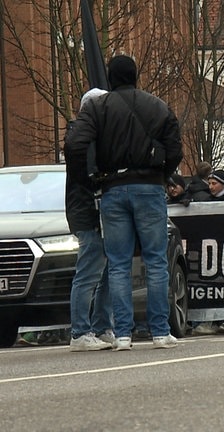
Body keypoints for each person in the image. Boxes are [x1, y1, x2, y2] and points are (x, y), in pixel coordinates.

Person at [67, 55, 183, 349]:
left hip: (113, 189)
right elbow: (175, 150)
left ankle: (122, 334)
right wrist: (162, 173)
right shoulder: (159, 106)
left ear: (110, 78)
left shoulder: (97, 107)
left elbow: (75, 144)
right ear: (136, 75)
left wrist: (88, 178)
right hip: (150, 187)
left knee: (117, 264)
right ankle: (159, 331)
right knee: (156, 260)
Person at [63, 88, 114, 352]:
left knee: (104, 271)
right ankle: (81, 331)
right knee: (90, 271)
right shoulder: (83, 139)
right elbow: (90, 176)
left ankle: (101, 326)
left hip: (91, 210)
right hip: (88, 211)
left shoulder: (83, 136)